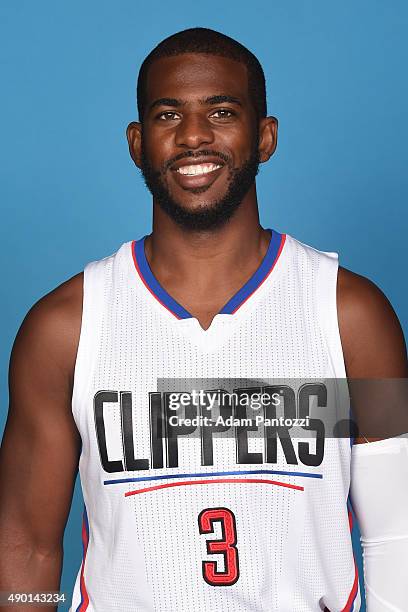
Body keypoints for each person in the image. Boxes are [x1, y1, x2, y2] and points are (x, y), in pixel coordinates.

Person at [0, 27, 407, 612]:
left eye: (221, 112)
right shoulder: (62, 328)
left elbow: (398, 536)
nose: (193, 136)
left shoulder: (356, 317)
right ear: (138, 143)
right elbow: (29, 547)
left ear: (263, 137)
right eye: (169, 115)